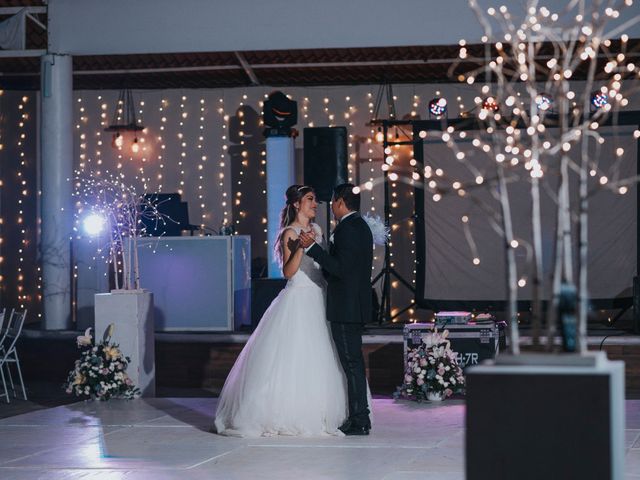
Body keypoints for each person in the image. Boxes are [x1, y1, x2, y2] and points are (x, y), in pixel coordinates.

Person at [214, 185, 348, 437]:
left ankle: (320, 410)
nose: (315, 204)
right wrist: (299, 246)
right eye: (310, 199)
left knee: (322, 355)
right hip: (298, 298)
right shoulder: (289, 232)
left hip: (319, 295)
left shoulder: (317, 230)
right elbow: (288, 272)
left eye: (315, 200)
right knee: (294, 355)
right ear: (297, 204)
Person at [299, 183, 373, 436]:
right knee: (353, 363)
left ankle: (360, 419)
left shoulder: (347, 229)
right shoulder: (359, 226)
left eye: (332, 202)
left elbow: (340, 267)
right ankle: (360, 417)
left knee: (351, 364)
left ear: (341, 202)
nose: (330, 207)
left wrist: (313, 249)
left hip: (346, 306)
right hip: (354, 304)